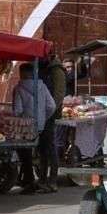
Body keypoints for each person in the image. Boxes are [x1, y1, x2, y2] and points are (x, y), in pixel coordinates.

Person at [12, 63, 56, 195]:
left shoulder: (19, 88)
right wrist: (43, 118)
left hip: (25, 127)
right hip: (41, 125)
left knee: (25, 154)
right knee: (43, 152)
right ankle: (40, 179)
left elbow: (18, 110)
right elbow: (51, 106)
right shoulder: (42, 86)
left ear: (23, 74)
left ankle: (29, 182)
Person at [40, 51, 65, 193]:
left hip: (49, 116)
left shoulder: (57, 71)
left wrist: (48, 113)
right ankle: (42, 179)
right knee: (42, 149)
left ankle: (52, 180)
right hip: (41, 115)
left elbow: (59, 95)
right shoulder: (44, 68)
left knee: (50, 148)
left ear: (49, 56)